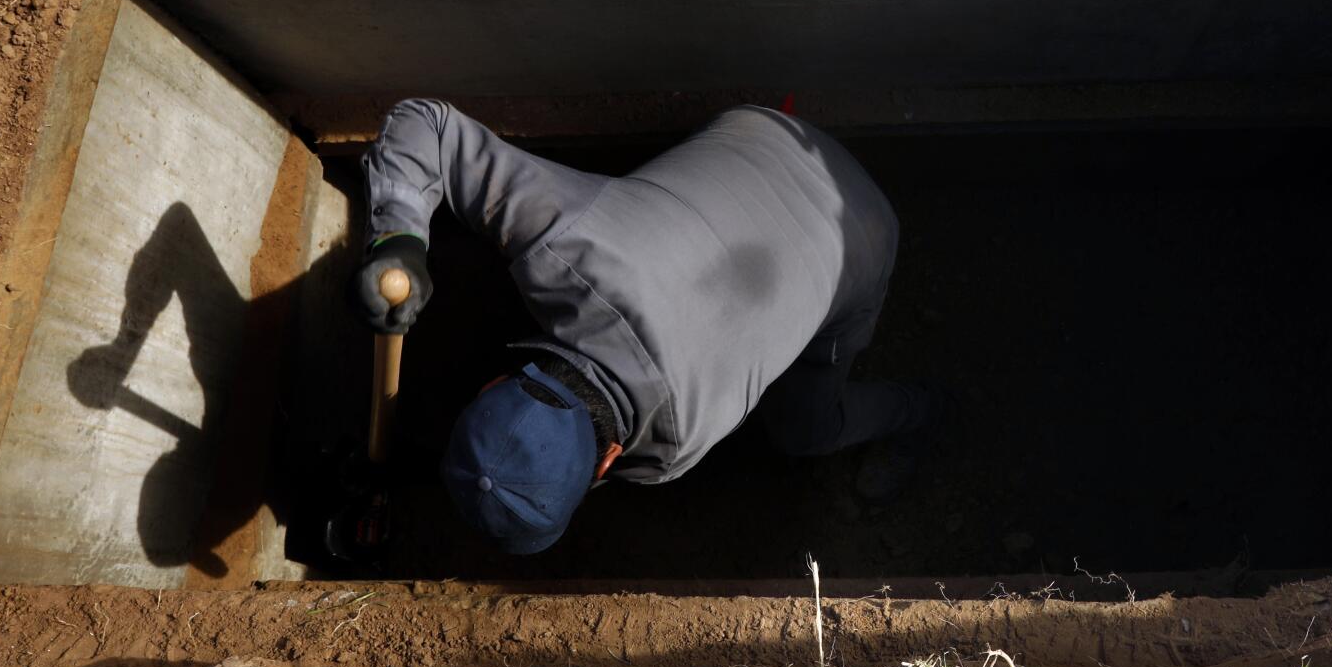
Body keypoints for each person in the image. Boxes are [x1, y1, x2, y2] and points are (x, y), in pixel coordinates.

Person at [354, 99, 932, 555]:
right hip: (765, 134)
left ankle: (920, 411)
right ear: (490, 384)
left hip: (864, 237)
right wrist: (399, 239)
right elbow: (424, 125)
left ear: (608, 463)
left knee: (803, 430)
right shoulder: (567, 241)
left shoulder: (673, 449)